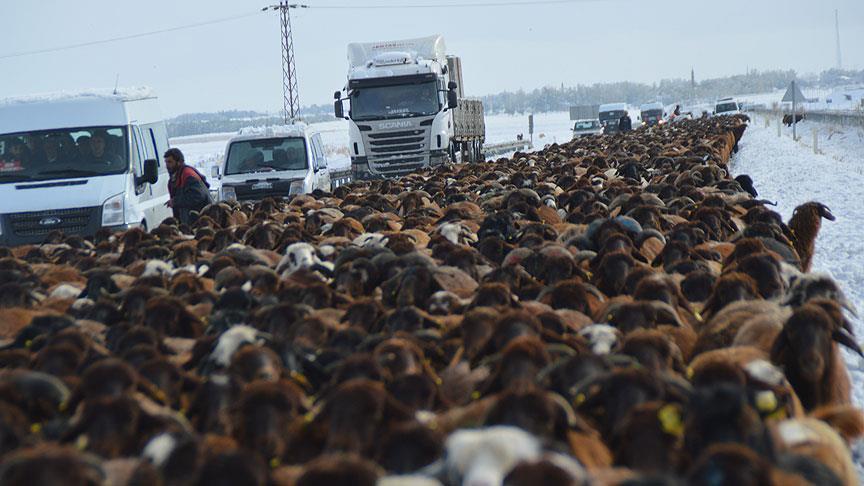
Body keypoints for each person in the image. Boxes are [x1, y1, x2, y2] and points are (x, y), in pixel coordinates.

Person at [164, 148, 212, 225]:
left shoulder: (188, 175)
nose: (167, 165)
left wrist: (175, 201)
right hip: (189, 220)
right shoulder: (175, 178)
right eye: (166, 162)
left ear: (179, 162)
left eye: (170, 162)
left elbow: (198, 196)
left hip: (200, 220)